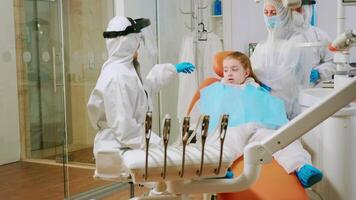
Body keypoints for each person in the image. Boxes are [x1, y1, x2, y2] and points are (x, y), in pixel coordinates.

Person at [189, 51, 322, 188]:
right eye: (226, 70)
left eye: (234, 69)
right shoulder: (216, 89)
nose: (229, 73)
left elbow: (271, 109)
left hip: (258, 128)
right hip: (231, 128)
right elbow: (200, 114)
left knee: (282, 140)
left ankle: (302, 167)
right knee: (225, 144)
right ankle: (218, 169)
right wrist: (194, 132)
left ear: (246, 73)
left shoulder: (256, 89)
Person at [87, 16, 195, 158]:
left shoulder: (125, 69)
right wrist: (160, 145)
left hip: (130, 144)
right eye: (138, 41)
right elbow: (125, 130)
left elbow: (146, 88)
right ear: (129, 42)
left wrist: (173, 69)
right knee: (168, 166)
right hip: (119, 148)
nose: (139, 45)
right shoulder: (118, 77)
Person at [292, 0, 336, 86]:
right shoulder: (282, 35)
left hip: (315, 90)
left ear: (307, 9)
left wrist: (319, 72)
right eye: (293, 10)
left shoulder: (318, 35)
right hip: (289, 91)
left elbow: (334, 62)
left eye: (299, 9)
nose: (296, 13)